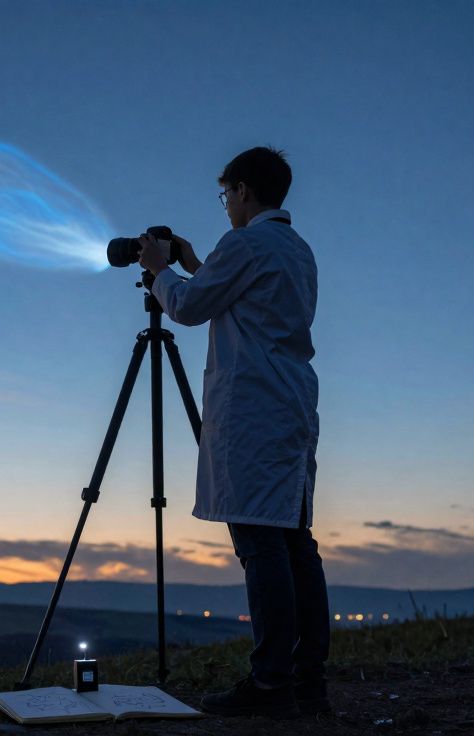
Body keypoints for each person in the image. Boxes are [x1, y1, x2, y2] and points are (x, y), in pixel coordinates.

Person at [137, 146, 330, 718]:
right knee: (294, 542)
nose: (225, 206)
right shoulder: (296, 249)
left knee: (261, 543)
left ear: (244, 190)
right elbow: (241, 296)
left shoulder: (245, 243)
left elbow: (192, 308)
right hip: (290, 406)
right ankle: (307, 681)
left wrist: (158, 270)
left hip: (253, 408)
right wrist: (196, 264)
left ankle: (270, 685)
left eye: (225, 195)